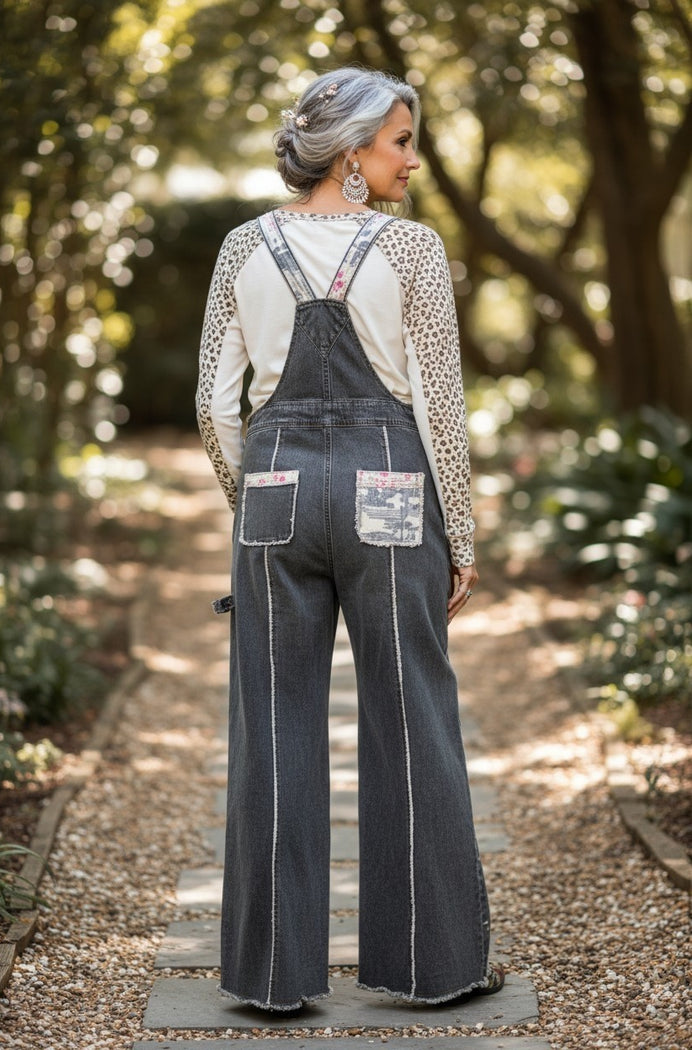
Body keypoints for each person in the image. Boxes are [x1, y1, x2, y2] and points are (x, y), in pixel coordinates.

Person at [196, 66, 504, 1015]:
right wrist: (461, 534)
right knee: (412, 716)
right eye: (401, 141)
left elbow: (214, 405)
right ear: (352, 152)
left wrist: (249, 502)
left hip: (275, 494)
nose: (412, 159)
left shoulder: (243, 246)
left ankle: (272, 976)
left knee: (272, 725)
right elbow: (439, 405)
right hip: (391, 491)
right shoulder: (411, 250)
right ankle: (435, 965)